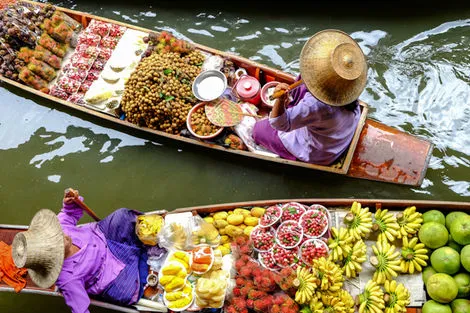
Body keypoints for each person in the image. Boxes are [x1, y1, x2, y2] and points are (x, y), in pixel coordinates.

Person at [11, 189, 149, 313]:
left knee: (122, 216)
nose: (63, 235)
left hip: (102, 237)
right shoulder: (67, 279)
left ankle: (140, 250)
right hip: (108, 273)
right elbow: (80, 309)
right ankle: (140, 254)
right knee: (126, 293)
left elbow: (68, 214)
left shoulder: (59, 227)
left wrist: (69, 202)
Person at [252, 29, 367, 165]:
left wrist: (280, 100)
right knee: (301, 80)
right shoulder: (348, 89)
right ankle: (294, 110)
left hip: (319, 152)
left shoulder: (316, 105)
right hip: (340, 134)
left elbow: (279, 124)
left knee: (257, 130)